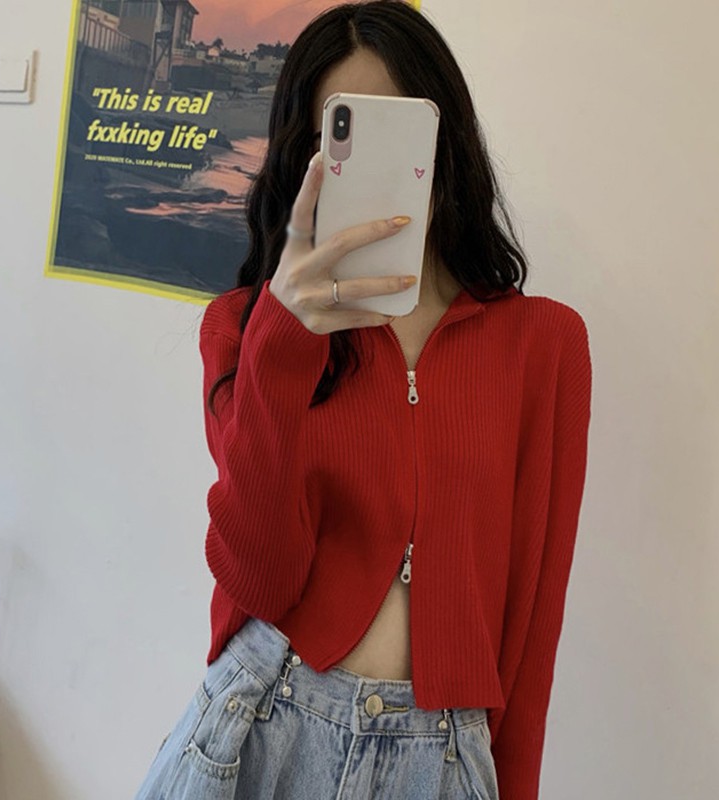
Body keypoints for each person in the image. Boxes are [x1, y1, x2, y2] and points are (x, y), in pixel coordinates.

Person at [134, 2, 592, 799]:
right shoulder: (243, 329)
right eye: (339, 139)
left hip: (441, 755)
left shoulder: (543, 345)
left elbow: (533, 615)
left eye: (397, 131)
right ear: (302, 161)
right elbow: (258, 579)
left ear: (446, 143)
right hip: (263, 722)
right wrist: (283, 342)